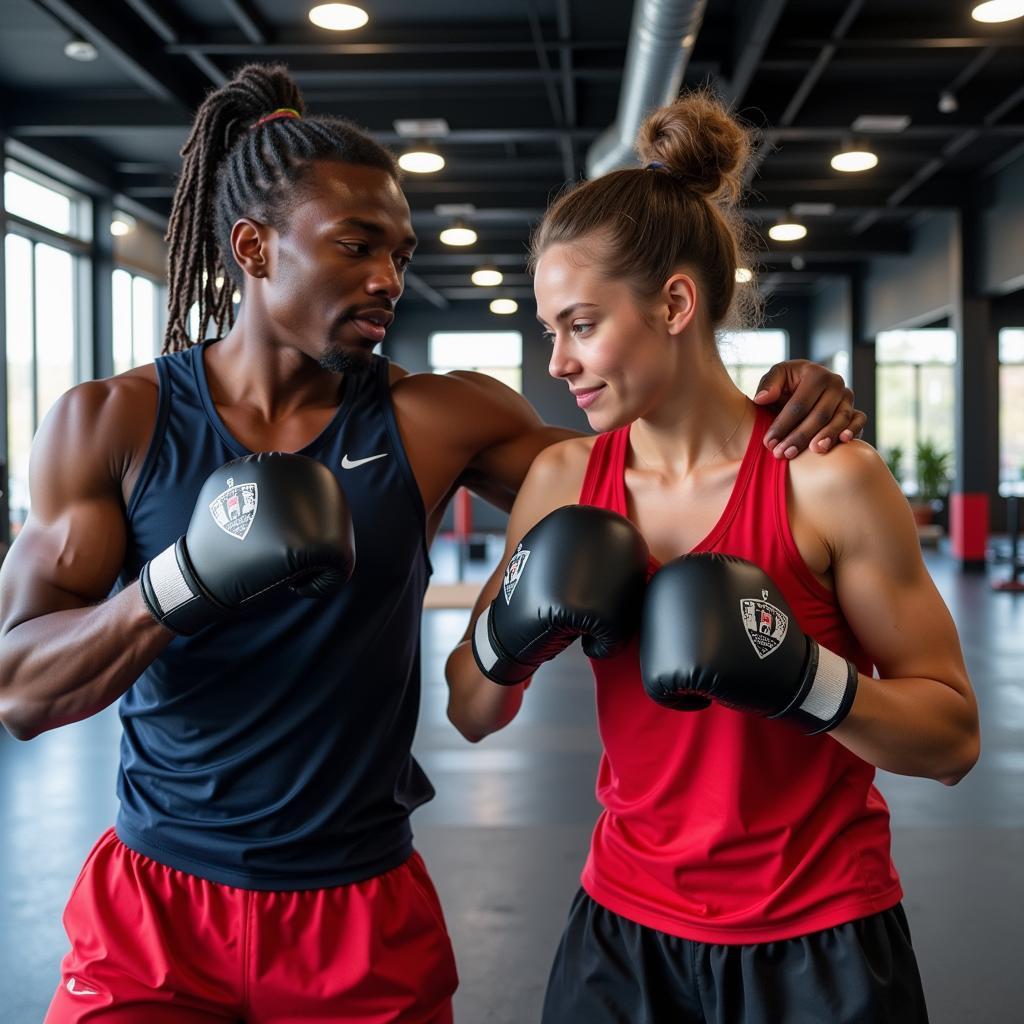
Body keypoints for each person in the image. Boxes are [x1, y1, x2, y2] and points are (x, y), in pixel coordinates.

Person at [0, 62, 863, 1024]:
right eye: (356, 247)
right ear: (252, 246)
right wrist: (180, 581)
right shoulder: (113, 424)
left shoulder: (435, 418)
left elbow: (651, 468)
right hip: (156, 913)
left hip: (359, 910)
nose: (388, 281)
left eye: (401, 255)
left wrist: (782, 403)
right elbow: (19, 690)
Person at [446, 90, 980, 1024]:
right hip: (622, 933)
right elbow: (469, 708)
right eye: (549, 332)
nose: (558, 364)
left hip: (822, 940)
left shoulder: (825, 481)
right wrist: (510, 633)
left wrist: (802, 677)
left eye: (580, 325)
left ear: (676, 302)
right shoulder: (563, 481)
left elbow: (950, 742)